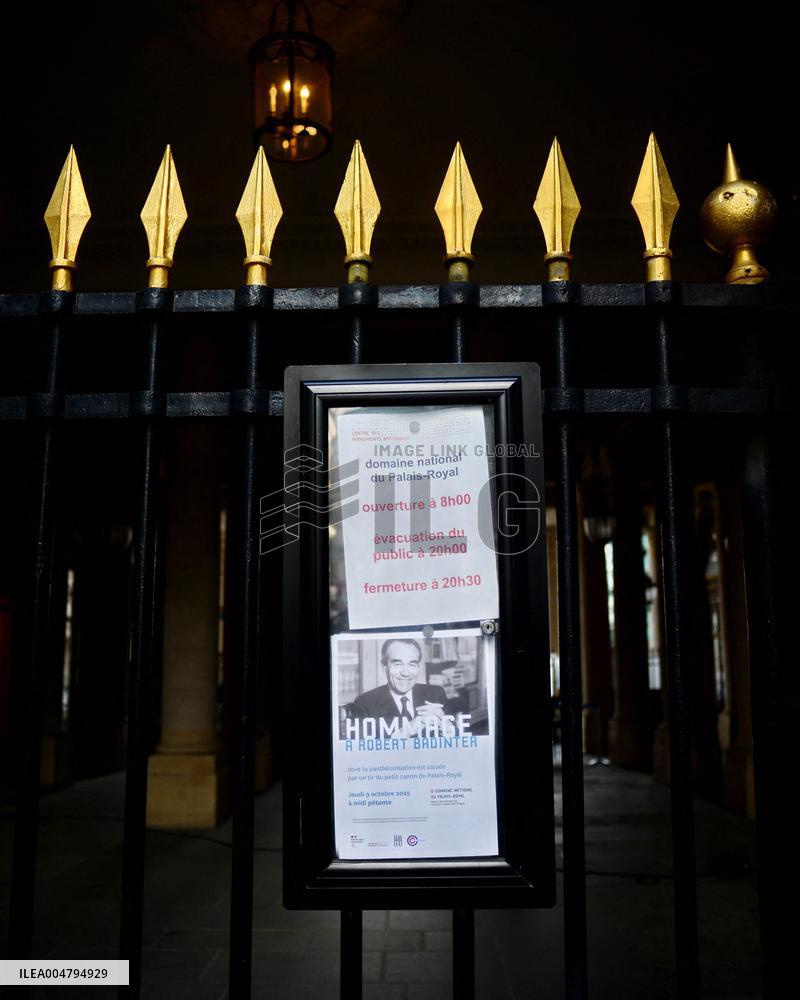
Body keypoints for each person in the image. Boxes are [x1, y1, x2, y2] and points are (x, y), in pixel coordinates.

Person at [351, 637, 447, 725]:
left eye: (412, 664)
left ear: (418, 667)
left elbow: (456, 735)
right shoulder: (364, 704)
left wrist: (445, 726)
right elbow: (363, 743)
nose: (405, 673)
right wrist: (410, 728)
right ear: (384, 667)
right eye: (398, 664)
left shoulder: (436, 694)